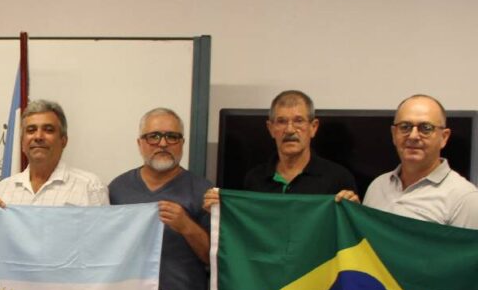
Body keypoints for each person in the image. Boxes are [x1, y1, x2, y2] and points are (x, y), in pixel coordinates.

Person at [109, 108, 212, 290]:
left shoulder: (203, 190)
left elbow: (215, 259)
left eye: (172, 136)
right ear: (140, 143)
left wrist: (187, 226)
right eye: (154, 136)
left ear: (182, 143)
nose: (163, 143)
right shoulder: (117, 189)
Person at [204, 89, 357, 209]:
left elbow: (351, 233)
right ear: (271, 128)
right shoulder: (254, 179)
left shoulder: (338, 178)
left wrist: (354, 210)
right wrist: (220, 209)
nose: (289, 130)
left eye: (298, 121)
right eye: (282, 122)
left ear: (313, 127)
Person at [363, 94, 478, 228]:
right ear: (394, 134)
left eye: (426, 128)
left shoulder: (465, 198)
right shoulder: (377, 186)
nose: (413, 136)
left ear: (444, 137)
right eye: (405, 126)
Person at [0, 99, 108, 206]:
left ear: (63, 141)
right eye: (31, 130)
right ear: (22, 143)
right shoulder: (3, 190)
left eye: (48, 130)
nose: (38, 137)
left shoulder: (90, 187)